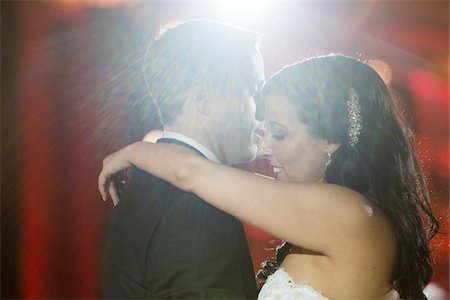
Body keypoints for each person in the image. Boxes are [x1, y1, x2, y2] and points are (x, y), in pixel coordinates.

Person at [99, 54, 439, 299]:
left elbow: (191, 172)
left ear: (330, 140)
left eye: (278, 134)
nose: (263, 150)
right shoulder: (348, 217)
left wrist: (131, 152)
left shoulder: (349, 214)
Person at [100, 19, 265, 299]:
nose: (261, 108)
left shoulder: (146, 185)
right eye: (251, 89)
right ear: (202, 98)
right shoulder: (195, 210)